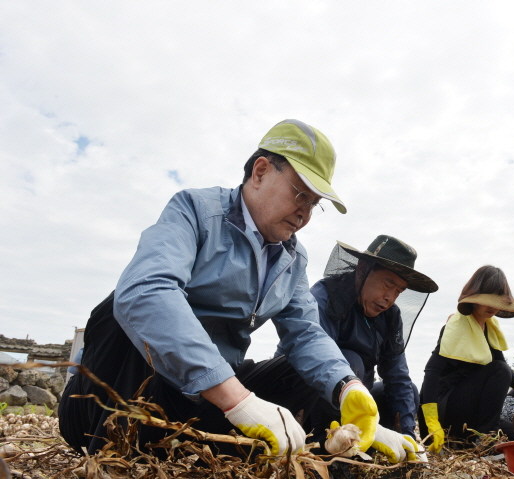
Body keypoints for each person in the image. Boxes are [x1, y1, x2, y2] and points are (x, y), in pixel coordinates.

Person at [58, 119, 380, 459]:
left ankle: (325, 447)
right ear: (260, 172)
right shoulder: (195, 211)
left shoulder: (293, 257)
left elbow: (306, 334)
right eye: (301, 194)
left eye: (314, 204)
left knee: (323, 368)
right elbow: (145, 290)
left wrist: (348, 386)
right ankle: (115, 458)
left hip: (198, 406)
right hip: (112, 402)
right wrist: (237, 399)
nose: (305, 213)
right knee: (124, 311)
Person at [287, 235, 437, 462]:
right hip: (305, 403)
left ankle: (388, 447)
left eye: (399, 291)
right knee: (351, 361)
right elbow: (313, 359)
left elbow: (397, 376)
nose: (389, 298)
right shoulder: (325, 297)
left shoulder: (390, 316)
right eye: (388, 284)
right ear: (363, 269)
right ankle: (328, 448)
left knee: (408, 391)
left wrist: (408, 435)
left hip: (355, 405)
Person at [418, 265, 514, 452]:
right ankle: (486, 438)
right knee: (499, 369)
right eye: (487, 300)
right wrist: (430, 421)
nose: (492, 307)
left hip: (469, 411)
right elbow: (432, 371)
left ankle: (479, 438)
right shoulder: (456, 327)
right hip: (448, 406)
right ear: (474, 299)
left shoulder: (489, 329)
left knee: (511, 436)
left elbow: (503, 365)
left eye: (497, 301)